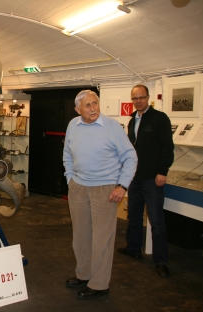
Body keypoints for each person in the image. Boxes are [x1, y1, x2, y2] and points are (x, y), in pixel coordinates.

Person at [63, 90, 137, 299]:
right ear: (78, 110)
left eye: (95, 103)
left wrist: (122, 185)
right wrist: (70, 178)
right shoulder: (72, 125)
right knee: (80, 236)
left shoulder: (112, 127)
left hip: (105, 189)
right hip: (78, 187)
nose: (93, 108)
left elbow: (131, 156)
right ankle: (84, 274)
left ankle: (99, 283)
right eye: (88, 105)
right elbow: (67, 154)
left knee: (102, 239)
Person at [117, 85, 174, 278]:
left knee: (156, 221)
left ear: (148, 98)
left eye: (142, 97)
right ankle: (133, 249)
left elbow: (167, 147)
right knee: (133, 216)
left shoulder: (160, 119)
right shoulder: (132, 121)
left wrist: (162, 171)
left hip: (152, 179)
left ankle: (161, 261)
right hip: (134, 177)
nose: (138, 101)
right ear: (132, 100)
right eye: (135, 98)